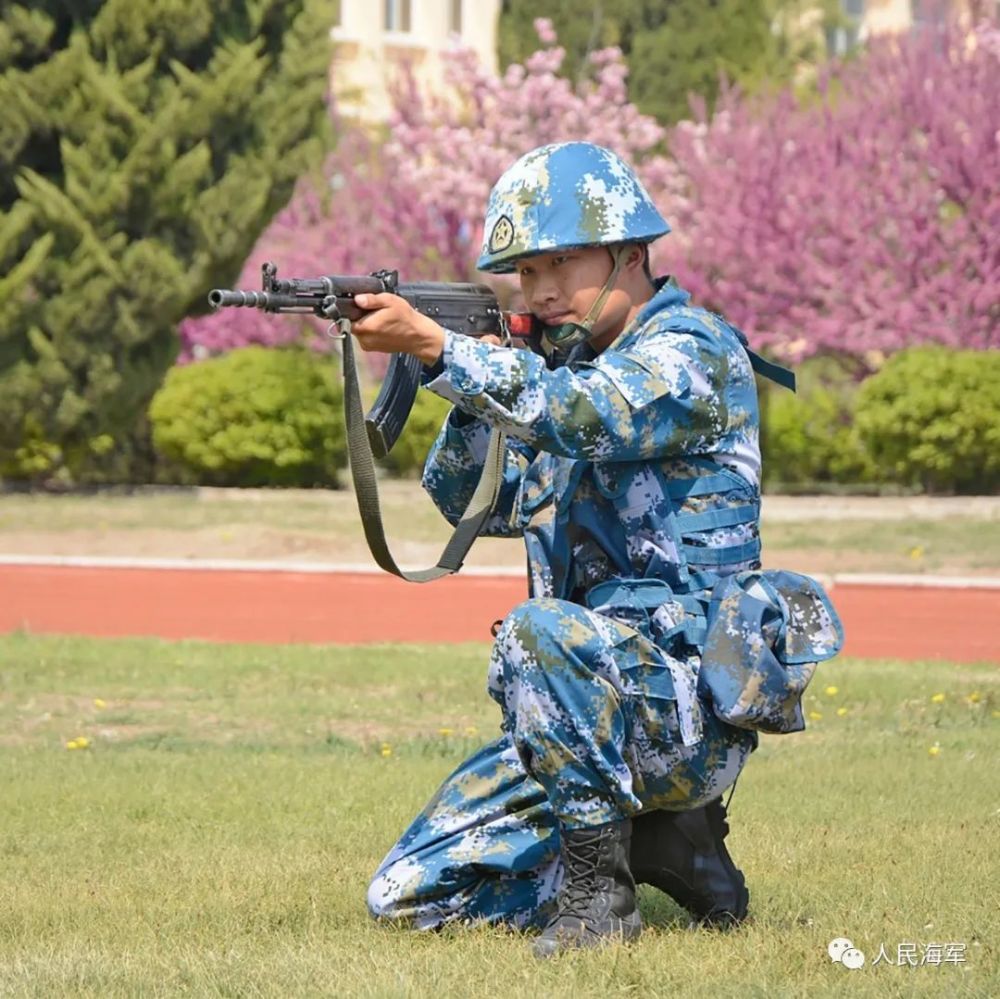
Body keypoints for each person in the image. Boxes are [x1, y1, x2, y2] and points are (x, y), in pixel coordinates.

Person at [350, 142, 843, 957]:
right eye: (525, 272)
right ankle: (664, 843)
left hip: (684, 707)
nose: (541, 290)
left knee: (537, 630)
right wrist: (483, 382)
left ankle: (598, 897)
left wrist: (446, 351)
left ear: (629, 253)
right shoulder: (555, 373)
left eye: (560, 264)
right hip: (580, 715)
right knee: (403, 898)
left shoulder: (692, 353)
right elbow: (465, 499)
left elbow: (586, 415)